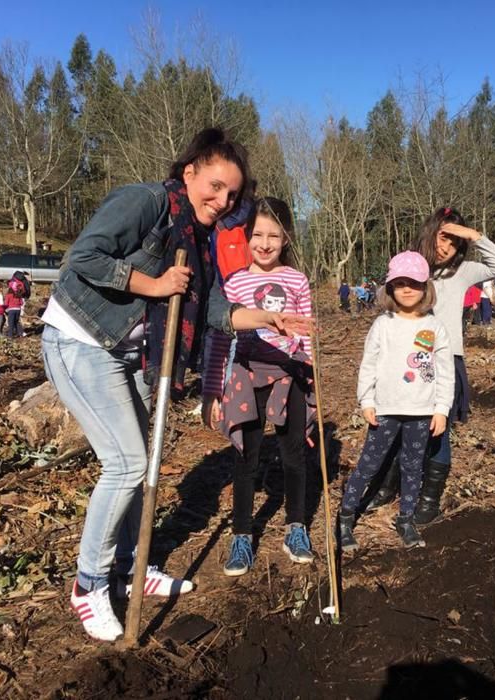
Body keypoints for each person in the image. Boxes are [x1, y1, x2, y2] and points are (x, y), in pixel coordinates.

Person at [40, 128, 309, 642]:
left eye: (231, 194)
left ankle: (132, 570)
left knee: (145, 457)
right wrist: (154, 284)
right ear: (189, 172)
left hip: (136, 352)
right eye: (214, 185)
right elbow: (85, 257)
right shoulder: (145, 202)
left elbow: (210, 308)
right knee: (127, 462)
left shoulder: (201, 239)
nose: (222, 200)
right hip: (82, 340)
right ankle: (89, 584)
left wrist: (265, 319)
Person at [366, 207, 495, 522]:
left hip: (443, 363)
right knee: (395, 423)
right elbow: (384, 298)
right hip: (403, 363)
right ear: (429, 234)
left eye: (454, 242)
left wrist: (473, 235)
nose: (445, 247)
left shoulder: (463, 271)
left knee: (437, 430)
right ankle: (387, 487)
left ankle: (429, 500)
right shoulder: (411, 270)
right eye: (442, 237)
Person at [202, 197, 314, 576]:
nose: (265, 244)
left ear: (286, 239)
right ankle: (242, 535)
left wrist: (311, 371)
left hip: (290, 374)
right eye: (258, 235)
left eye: (274, 236)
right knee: (245, 458)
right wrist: (214, 388)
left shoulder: (297, 280)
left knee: (294, 454)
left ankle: (296, 526)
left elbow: (306, 329)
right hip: (247, 375)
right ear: (247, 238)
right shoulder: (235, 282)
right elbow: (220, 338)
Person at [338, 251, 454, 551]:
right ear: (389, 287)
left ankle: (405, 519)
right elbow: (369, 365)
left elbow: (445, 373)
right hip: (386, 410)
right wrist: (367, 400)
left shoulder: (435, 327)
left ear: (425, 287)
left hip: (421, 412)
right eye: (399, 283)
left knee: (413, 467)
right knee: (369, 465)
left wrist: (441, 409)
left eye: (413, 283)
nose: (406, 289)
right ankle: (346, 516)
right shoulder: (383, 324)